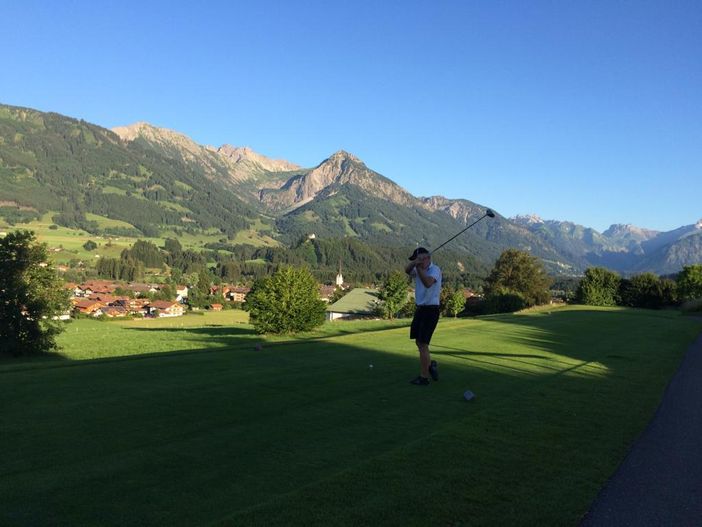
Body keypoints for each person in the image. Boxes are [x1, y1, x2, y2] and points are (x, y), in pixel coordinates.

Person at [405, 247, 442, 385]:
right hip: (420, 309)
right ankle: (430, 366)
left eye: (418, 258)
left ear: (426, 258)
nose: (416, 262)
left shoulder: (435, 270)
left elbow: (428, 283)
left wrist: (419, 267)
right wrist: (415, 263)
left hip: (431, 310)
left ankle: (424, 377)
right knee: (419, 342)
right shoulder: (417, 268)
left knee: (423, 343)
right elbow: (406, 270)